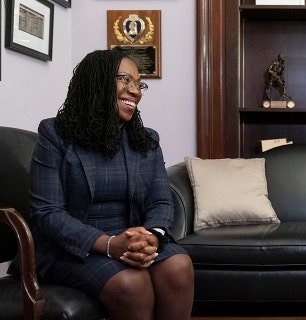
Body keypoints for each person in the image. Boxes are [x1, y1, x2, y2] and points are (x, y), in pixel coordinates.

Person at [10, 50, 194, 319]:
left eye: (139, 84)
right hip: (70, 247)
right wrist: (109, 244)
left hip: (131, 239)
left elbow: (161, 201)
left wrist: (152, 236)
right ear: (96, 82)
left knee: (179, 266)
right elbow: (47, 213)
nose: (135, 91)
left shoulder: (146, 140)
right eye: (125, 80)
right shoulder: (55, 135)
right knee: (131, 283)